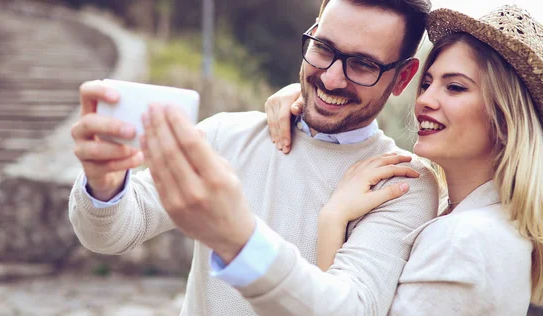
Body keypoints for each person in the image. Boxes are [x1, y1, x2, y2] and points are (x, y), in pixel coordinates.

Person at [68, 0, 440, 315]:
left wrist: (236, 238)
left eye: (362, 65)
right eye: (323, 48)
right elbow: (112, 236)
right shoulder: (225, 135)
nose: (330, 78)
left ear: (403, 78)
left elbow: (352, 307)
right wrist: (105, 184)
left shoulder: (402, 183)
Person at [267, 5, 543, 314]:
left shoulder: (463, 240)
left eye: (454, 87)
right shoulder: (473, 220)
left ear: (505, 117)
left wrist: (333, 222)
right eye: (427, 83)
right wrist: (309, 101)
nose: (424, 99)